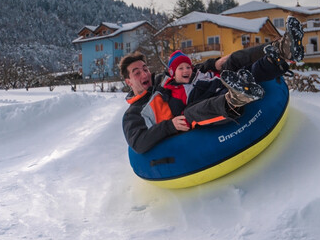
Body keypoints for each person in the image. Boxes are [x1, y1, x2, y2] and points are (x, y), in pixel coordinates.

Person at [121, 16, 304, 154]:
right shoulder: (133, 114)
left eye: (145, 68)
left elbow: (185, 72)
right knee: (189, 113)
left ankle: (282, 49)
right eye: (137, 72)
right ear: (128, 81)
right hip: (189, 117)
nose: (144, 73)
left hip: (205, 92)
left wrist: (212, 65)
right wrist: (170, 126)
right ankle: (235, 98)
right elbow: (139, 143)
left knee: (229, 63)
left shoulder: (162, 79)